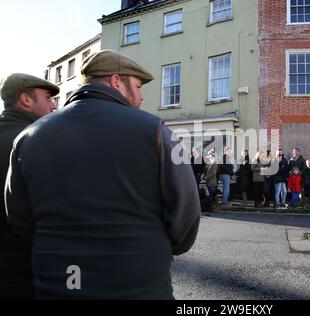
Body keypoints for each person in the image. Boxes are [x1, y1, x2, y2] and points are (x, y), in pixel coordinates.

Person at [4, 50, 201, 299]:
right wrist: (156, 248)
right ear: (116, 81)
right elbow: (186, 213)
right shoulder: (155, 131)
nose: (141, 97)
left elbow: (20, 218)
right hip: (141, 289)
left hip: (59, 286)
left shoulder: (28, 137)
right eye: (138, 86)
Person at [0, 73, 59, 299]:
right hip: (22, 264)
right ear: (26, 99)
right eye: (48, 98)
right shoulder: (39, 141)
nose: (53, 106)